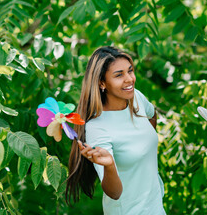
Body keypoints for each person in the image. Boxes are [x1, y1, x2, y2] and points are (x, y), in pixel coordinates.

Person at [65, 46, 166, 215]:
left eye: (130, 71)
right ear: (101, 82)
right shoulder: (97, 127)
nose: (129, 79)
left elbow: (151, 113)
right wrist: (110, 165)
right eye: (119, 75)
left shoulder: (136, 98)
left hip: (156, 207)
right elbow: (114, 193)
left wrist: (143, 145)